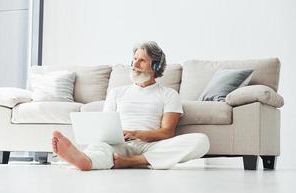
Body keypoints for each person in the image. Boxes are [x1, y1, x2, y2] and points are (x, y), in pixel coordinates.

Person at [52, 41, 210, 171]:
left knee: (201, 141)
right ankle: (86, 160)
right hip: (119, 143)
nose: (135, 64)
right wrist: (113, 136)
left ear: (155, 66)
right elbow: (105, 126)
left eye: (142, 60)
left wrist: (136, 134)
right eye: (134, 59)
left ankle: (132, 161)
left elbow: (167, 133)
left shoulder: (168, 94)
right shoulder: (117, 92)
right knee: (101, 146)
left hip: (150, 147)